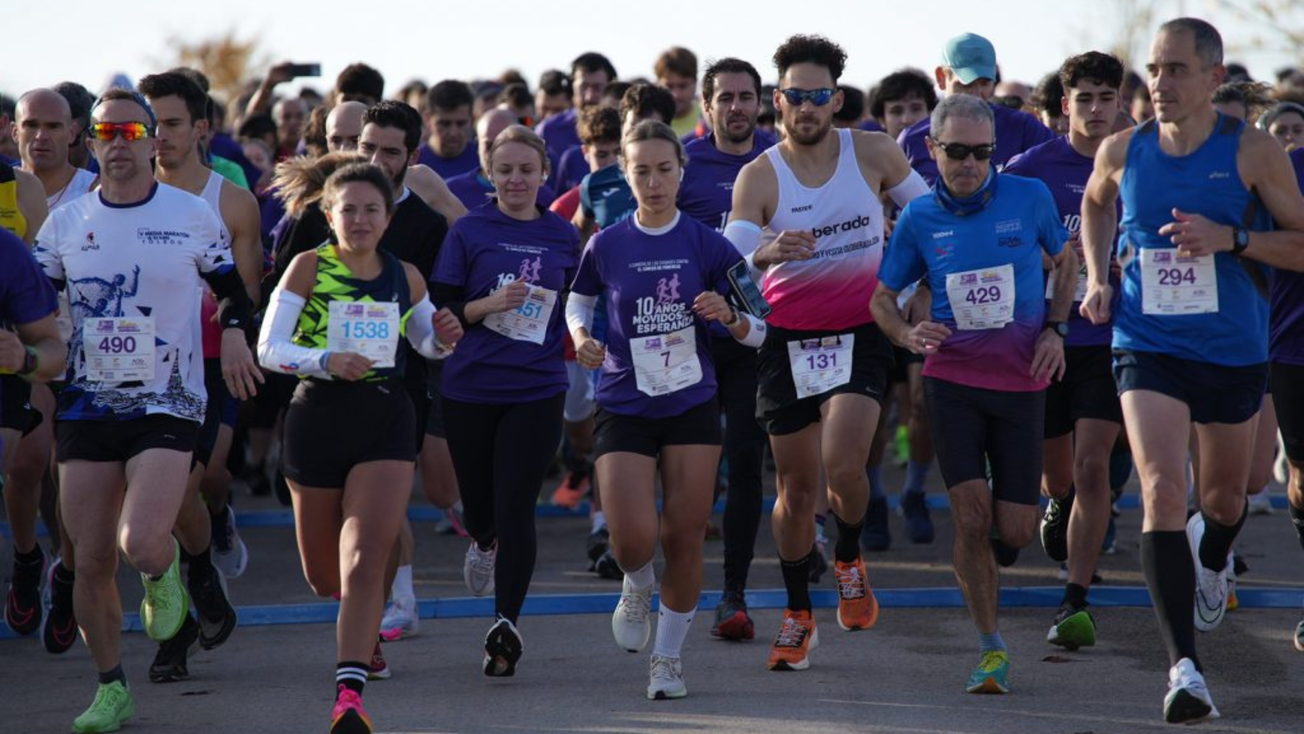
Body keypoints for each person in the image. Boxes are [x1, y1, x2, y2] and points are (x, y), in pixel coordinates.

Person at [1080, 18, 1304, 723]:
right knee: (1160, 491)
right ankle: (1185, 670)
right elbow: (1095, 202)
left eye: (1175, 69)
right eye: (1153, 68)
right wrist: (1098, 276)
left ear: (1213, 77)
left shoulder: (1254, 151)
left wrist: (1231, 238)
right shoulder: (1124, 148)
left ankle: (1214, 556)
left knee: (1226, 501)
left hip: (1233, 349)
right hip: (1146, 343)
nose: (1159, 82)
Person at [32, 88, 261, 733]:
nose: (119, 143)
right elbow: (36, 308)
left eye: (132, 131)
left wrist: (235, 332)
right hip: (86, 402)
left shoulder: (191, 214)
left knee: (139, 542)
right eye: (106, 132)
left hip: (169, 399)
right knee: (90, 556)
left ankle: (163, 575)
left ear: (153, 139)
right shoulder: (65, 223)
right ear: (89, 142)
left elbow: (233, 292)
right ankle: (111, 687)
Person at [727, 35, 929, 672]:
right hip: (786, 340)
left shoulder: (873, 151)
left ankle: (847, 556)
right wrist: (765, 252)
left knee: (844, 467)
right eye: (796, 96)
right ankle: (798, 614)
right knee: (795, 489)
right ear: (778, 100)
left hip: (860, 330)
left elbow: (931, 219)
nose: (807, 106)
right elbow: (728, 263)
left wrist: (917, 287)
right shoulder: (760, 176)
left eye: (819, 95)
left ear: (836, 99)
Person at [874, 92, 1077, 694]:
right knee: (969, 517)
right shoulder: (918, 218)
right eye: (956, 151)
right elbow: (882, 298)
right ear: (931, 149)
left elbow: (1065, 261)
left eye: (981, 152)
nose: (969, 163)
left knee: (1014, 532)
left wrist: (1056, 328)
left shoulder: (1029, 196)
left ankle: (1004, 519)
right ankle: (991, 648)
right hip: (953, 381)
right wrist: (907, 334)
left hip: (1021, 381)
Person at [257, 162, 461, 734]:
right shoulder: (307, 266)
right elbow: (269, 348)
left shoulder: (405, 276)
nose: (361, 219)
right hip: (317, 421)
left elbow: (424, 341)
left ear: (388, 217)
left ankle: (349, 696)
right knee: (326, 578)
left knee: (366, 557)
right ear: (329, 215)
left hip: (385, 420)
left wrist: (443, 339)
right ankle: (361, 625)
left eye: (372, 209)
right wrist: (324, 359)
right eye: (348, 209)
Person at [567, 119, 766, 699]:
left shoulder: (709, 243)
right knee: (632, 540)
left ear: (682, 171)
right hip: (624, 401)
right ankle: (636, 583)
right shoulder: (607, 243)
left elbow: (761, 328)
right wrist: (581, 335)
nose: (653, 183)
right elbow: (577, 300)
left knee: (684, 535)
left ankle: (668, 658)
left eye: (663, 170)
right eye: (641, 172)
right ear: (625, 176)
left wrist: (730, 317)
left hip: (690, 403)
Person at [430, 125, 578, 676]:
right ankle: (482, 540)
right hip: (470, 387)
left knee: (517, 505)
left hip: (537, 387)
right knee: (482, 508)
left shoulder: (563, 235)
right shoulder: (469, 230)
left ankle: (505, 626)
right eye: (506, 170)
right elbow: (442, 311)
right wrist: (486, 305)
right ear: (489, 174)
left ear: (544, 175)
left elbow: (578, 303)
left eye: (526, 170)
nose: (516, 179)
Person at [138, 70, 266, 677]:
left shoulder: (231, 202)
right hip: (135, 368)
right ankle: (184, 608)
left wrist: (222, 316)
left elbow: (244, 294)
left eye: (171, 123)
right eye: (150, 124)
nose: (158, 135)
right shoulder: (111, 200)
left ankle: (199, 564)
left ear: (200, 129)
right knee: (153, 506)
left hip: (207, 364)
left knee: (196, 483)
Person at [1003, 51, 1125, 653]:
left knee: (1093, 466)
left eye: (1106, 97)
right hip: (1044, 336)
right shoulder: (1029, 171)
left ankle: (1075, 599)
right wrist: (1052, 258)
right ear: (1064, 105)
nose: (1096, 109)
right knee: (1059, 477)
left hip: (1110, 338)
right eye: (1085, 99)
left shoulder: (1138, 163)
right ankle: (1060, 505)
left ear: (1121, 102)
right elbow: (999, 242)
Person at [676, 57, 771, 640]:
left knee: (746, 462)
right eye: (726, 98)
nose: (737, 107)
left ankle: (733, 593)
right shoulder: (683, 167)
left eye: (746, 96)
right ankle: (669, 583)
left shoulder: (780, 163)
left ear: (761, 102)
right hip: (686, 342)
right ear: (706, 106)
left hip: (752, 338)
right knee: (687, 471)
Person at [862, 67, 941, 551]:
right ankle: (873, 497)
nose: (908, 117)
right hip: (870, 303)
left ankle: (913, 491)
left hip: (921, 302)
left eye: (917, 108)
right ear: (882, 119)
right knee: (874, 412)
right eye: (897, 110)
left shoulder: (937, 168)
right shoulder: (861, 167)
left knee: (922, 401)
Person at [0, 225, 67, 641]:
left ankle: (44, 564)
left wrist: (26, 357)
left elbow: (51, 348)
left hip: (6, 388)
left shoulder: (6, 249)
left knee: (30, 469)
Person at [898, 32, 1056, 185]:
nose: (975, 93)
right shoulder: (911, 141)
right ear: (941, 77)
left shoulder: (1023, 128)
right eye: (965, 84)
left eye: (984, 83)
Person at [445, 108, 557, 209]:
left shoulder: (543, 197)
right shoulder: (451, 192)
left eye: (504, 145)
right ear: (478, 144)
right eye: (489, 145)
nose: (496, 154)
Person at [537, 52, 617, 187]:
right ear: (571, 88)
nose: (589, 96)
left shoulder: (624, 129)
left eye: (598, 88)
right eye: (583, 87)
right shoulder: (547, 131)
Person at [418, 80, 479, 179]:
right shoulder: (411, 164)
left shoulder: (484, 161)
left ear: (472, 120)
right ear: (427, 119)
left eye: (461, 123)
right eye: (444, 124)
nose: (453, 133)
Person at [654, 46, 704, 140]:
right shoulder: (648, 122)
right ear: (657, 84)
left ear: (695, 83)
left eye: (682, 86)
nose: (675, 94)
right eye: (669, 86)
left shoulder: (708, 119)